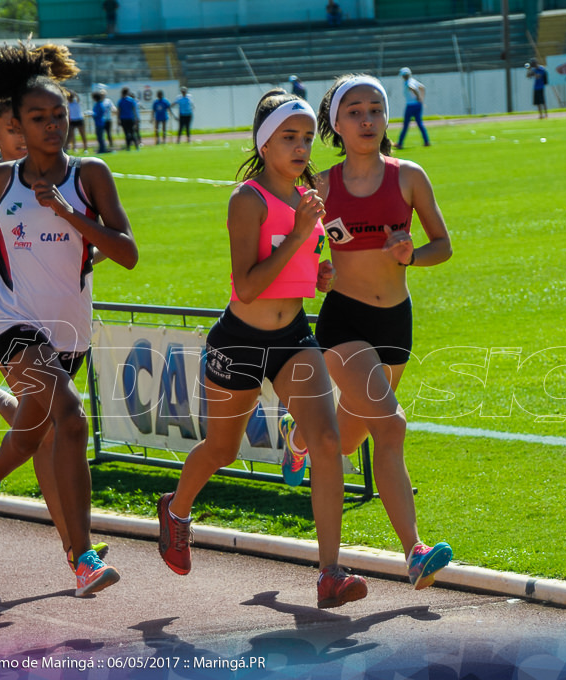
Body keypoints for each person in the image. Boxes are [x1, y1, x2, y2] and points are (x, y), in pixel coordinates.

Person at [156, 89, 368, 610]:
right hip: (241, 339)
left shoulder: (309, 196)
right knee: (222, 450)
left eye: (305, 138)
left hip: (294, 337)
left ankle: (330, 573)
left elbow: (299, 263)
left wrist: (318, 274)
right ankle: (176, 511)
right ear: (263, 143)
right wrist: (298, 239)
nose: (300, 147)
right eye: (287, 138)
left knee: (325, 440)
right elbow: (247, 287)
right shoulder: (246, 200)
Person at [0, 41, 138, 597]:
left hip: (69, 331)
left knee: (31, 435)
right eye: (37, 119)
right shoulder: (0, 180)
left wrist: (69, 214)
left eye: (59, 115)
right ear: (18, 127)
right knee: (70, 420)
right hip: (13, 325)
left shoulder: (91, 175)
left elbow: (126, 252)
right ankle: (83, 558)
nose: (52, 126)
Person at [283, 74, 453, 591]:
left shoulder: (409, 177)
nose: (367, 119)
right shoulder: (321, 187)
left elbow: (442, 244)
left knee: (353, 433)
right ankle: (416, 552)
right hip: (345, 322)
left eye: (376, 109)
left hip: (395, 321)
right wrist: (317, 274)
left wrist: (412, 256)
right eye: (355, 111)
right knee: (393, 425)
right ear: (336, 123)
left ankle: (303, 441)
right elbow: (299, 250)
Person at [396, 67, 429, 150]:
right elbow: (422, 87)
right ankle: (426, 141)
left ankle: (400, 143)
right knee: (419, 123)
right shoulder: (413, 80)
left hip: (410, 105)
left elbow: (412, 88)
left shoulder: (407, 82)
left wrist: (418, 96)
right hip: (417, 105)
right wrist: (421, 99)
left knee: (406, 125)